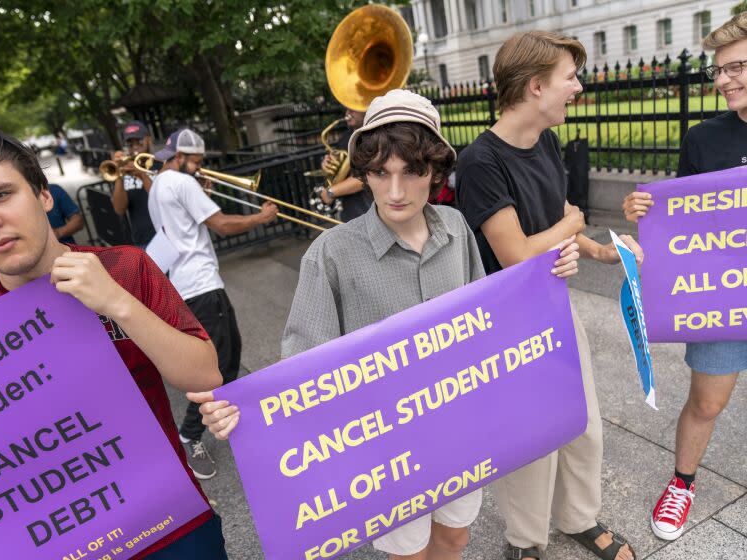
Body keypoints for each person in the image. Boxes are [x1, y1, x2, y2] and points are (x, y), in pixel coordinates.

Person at [191, 89, 582, 560]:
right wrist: (244, 413)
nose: (395, 191)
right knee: (409, 552)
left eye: (412, 172)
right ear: (365, 173)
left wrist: (545, 276)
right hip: (388, 451)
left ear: (435, 171)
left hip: (459, 428)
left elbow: (488, 319)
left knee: (456, 536)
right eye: (379, 173)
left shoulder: (457, 228)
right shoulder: (331, 253)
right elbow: (300, 368)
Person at [0, 126, 229, 559]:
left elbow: (203, 374)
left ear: (44, 196)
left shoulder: (126, 268)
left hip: (172, 525)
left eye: (0, 195)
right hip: (64, 539)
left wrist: (117, 303)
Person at [456, 31, 643, 560]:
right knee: (530, 441)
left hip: (554, 304)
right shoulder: (480, 162)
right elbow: (516, 253)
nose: (577, 88)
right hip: (506, 322)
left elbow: (553, 222)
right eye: (570, 78)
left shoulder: (546, 141)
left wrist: (600, 250)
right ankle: (526, 542)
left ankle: (579, 519)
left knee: (582, 422)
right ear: (536, 86)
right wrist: (573, 222)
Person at [622, 12, 747, 542]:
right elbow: (683, 222)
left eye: (736, 66)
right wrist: (644, 215)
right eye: (718, 71)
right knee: (707, 403)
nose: (723, 80)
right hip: (723, 297)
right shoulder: (704, 139)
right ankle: (682, 482)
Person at [147, 127, 278, 480]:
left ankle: (229, 422)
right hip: (201, 284)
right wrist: (261, 218)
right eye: (198, 161)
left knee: (227, 355)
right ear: (180, 158)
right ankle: (190, 435)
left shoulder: (158, 184)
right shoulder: (182, 182)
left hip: (186, 285)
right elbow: (221, 225)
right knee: (221, 362)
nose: (201, 167)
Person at [319, 106, 373, 220]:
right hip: (350, 210)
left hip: (367, 209)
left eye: (353, 108)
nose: (348, 113)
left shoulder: (374, 136)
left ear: (366, 108)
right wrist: (328, 164)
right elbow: (339, 167)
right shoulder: (346, 137)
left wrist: (330, 192)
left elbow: (366, 176)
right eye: (346, 108)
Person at [112, 121, 156, 247]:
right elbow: (119, 209)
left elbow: (160, 198)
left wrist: (142, 174)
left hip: (165, 236)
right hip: (142, 240)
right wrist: (119, 175)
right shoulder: (127, 170)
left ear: (149, 140)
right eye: (130, 144)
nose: (135, 147)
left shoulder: (161, 165)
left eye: (139, 141)